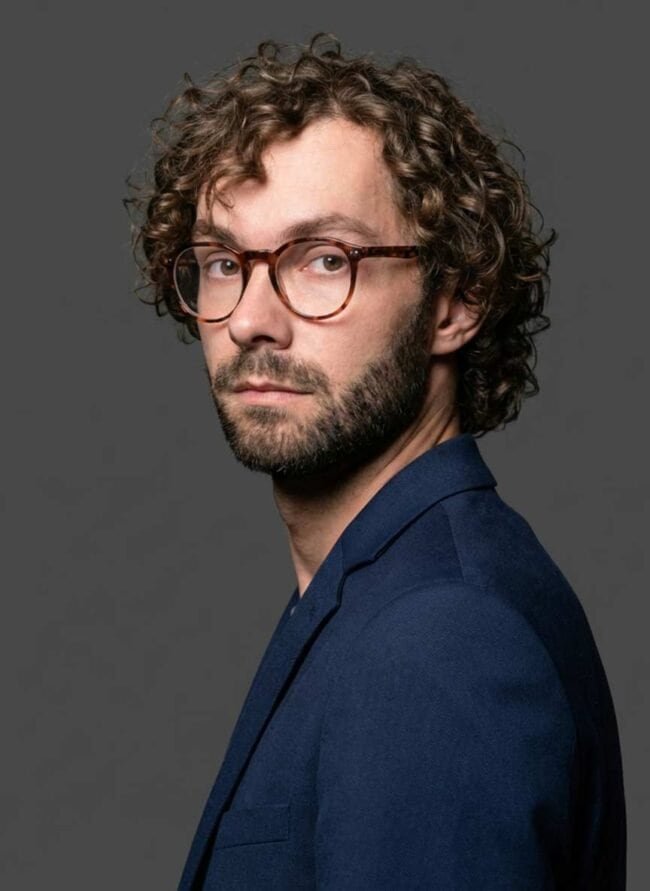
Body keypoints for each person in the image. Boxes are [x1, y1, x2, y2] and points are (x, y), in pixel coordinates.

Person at [125, 33, 626, 890]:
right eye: (221, 263)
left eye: (324, 259)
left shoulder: (440, 643)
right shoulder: (380, 592)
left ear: (457, 301)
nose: (251, 318)